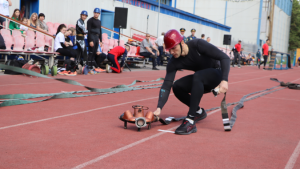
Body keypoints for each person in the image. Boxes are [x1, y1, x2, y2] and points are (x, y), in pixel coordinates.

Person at [152, 29, 230, 135]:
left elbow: (224, 57)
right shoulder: (173, 62)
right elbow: (166, 84)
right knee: (177, 86)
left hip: (216, 76)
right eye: (169, 50)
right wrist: (159, 108)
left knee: (198, 76)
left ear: (182, 43)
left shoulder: (198, 44)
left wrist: (224, 80)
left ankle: (190, 120)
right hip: (200, 81)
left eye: (174, 48)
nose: (172, 52)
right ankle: (198, 112)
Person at [87, 8, 102, 72]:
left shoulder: (99, 21)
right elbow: (89, 31)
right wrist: (90, 40)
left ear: (99, 14)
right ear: (93, 13)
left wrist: (101, 40)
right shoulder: (90, 20)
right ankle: (89, 67)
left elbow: (100, 31)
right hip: (92, 37)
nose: (96, 14)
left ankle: (92, 67)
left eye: (97, 13)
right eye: (95, 13)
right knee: (91, 53)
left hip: (97, 38)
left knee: (94, 53)